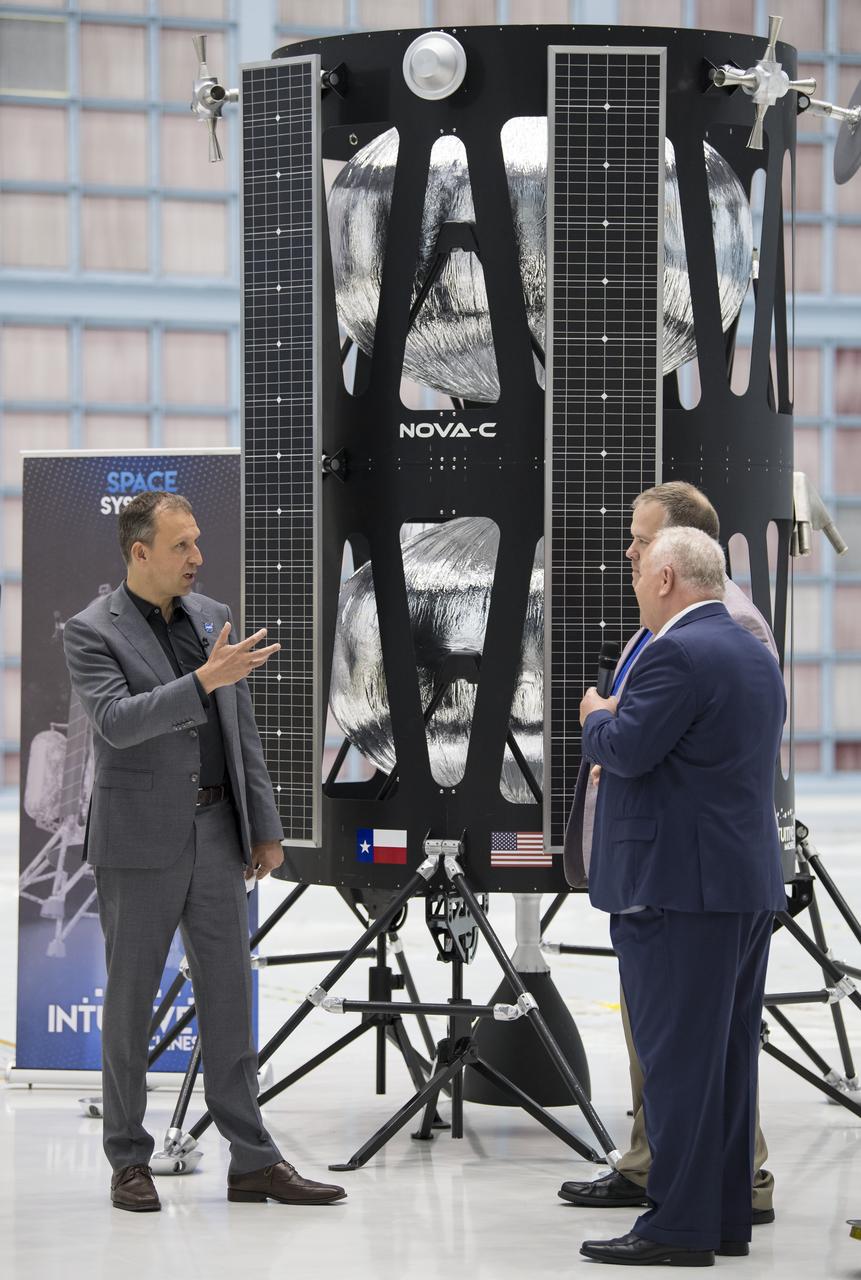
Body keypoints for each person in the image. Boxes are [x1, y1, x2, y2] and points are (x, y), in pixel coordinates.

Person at [64, 492, 346, 1213]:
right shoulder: (91, 632)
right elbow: (115, 724)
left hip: (219, 835)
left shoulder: (213, 616)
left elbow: (239, 731)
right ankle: (129, 1159)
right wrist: (200, 683)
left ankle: (252, 1160)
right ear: (140, 554)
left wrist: (266, 827)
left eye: (196, 542)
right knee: (130, 1006)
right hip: (137, 844)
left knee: (229, 1001)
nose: (198, 557)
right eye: (183, 546)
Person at [561, 482, 778, 1223]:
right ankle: (704, 1203)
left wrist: (597, 718)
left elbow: (631, 745)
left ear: (673, 562)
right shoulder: (723, 640)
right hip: (718, 877)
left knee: (682, 1059)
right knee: (705, 1059)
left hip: (681, 883)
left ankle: (680, 1218)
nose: (629, 553)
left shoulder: (695, 642)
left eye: (640, 542)